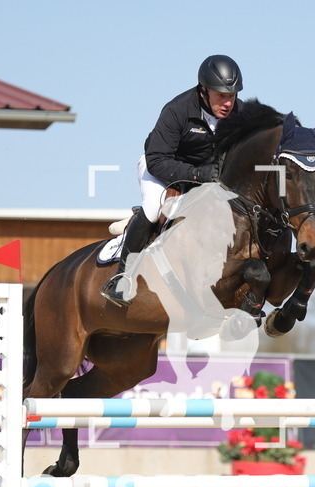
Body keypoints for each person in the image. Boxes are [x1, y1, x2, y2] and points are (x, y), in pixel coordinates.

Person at [100, 54, 244, 307]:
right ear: (203, 91)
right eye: (221, 95)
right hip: (160, 169)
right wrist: (198, 175)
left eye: (232, 95)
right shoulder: (177, 110)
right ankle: (122, 278)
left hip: (206, 179)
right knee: (154, 209)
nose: (228, 102)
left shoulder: (240, 115)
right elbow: (157, 159)